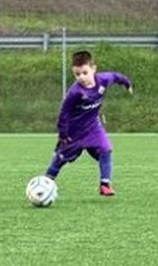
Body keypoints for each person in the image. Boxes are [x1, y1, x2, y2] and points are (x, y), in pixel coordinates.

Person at [45, 50, 132, 197]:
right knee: (61, 159)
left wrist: (127, 83)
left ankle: (105, 185)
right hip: (73, 132)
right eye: (77, 74)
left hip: (93, 127)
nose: (81, 77)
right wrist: (63, 134)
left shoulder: (103, 80)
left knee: (106, 150)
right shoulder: (75, 92)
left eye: (85, 72)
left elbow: (116, 76)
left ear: (94, 69)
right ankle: (46, 182)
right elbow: (64, 114)